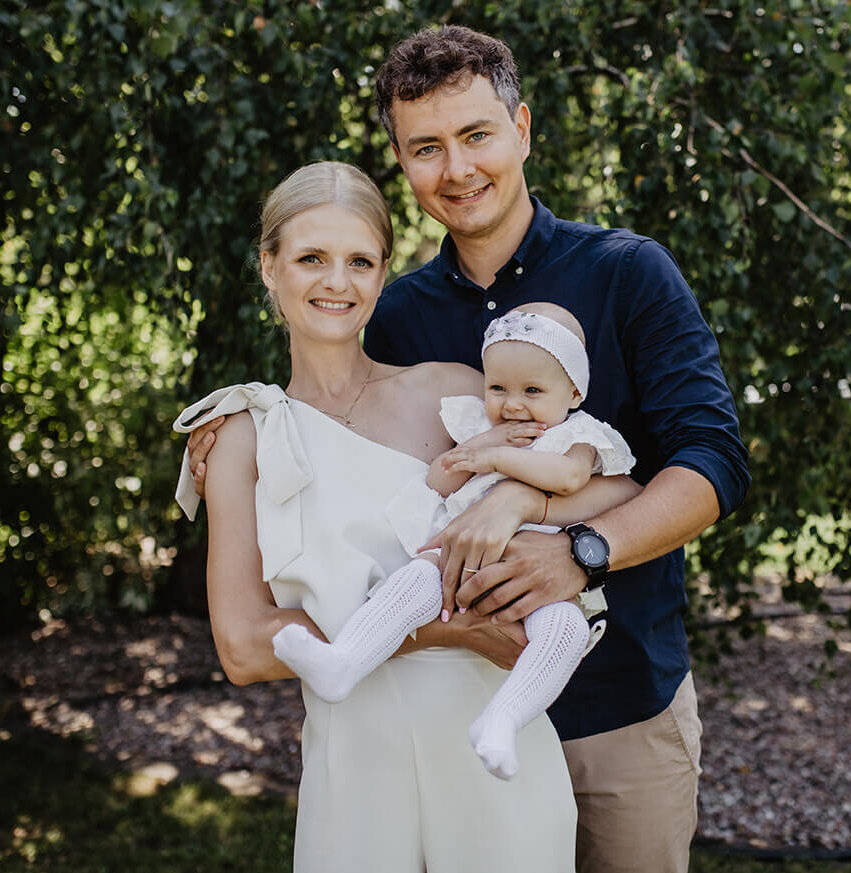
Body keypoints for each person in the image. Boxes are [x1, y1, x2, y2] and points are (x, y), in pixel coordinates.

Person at [188, 25, 750, 873]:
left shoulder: (627, 273)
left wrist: (577, 548)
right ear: (402, 162)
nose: (457, 168)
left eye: (476, 135)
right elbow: (346, 426)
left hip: (616, 711)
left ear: (521, 129)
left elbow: (712, 461)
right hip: (445, 735)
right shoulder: (399, 318)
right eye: (427, 148)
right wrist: (240, 437)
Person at [172, 161, 638, 872]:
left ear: (383, 272)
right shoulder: (244, 435)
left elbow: (618, 490)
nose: (337, 282)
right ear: (269, 266)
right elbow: (243, 647)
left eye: (360, 261)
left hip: (493, 758)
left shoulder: (455, 396)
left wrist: (524, 500)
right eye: (311, 258)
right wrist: (450, 630)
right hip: (355, 767)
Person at [272, 301, 634, 781]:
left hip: (538, 582)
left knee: (566, 631)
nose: (513, 405)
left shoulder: (580, 436)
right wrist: (475, 449)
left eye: (532, 390)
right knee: (414, 581)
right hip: (457, 563)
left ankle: (502, 721)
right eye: (498, 388)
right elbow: (439, 483)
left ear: (573, 392)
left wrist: (500, 461)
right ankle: (343, 662)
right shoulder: (482, 428)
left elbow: (568, 478)